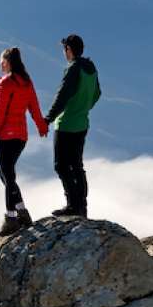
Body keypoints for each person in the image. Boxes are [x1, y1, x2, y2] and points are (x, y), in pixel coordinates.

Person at [0, 46, 49, 236]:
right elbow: (34, 107)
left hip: (6, 136)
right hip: (21, 137)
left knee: (7, 174)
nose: (0, 65)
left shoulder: (4, 84)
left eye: (1, 62)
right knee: (5, 174)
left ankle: (11, 217)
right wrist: (41, 126)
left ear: (7, 62)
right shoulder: (26, 83)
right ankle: (21, 211)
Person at [44, 33, 101, 217]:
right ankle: (82, 207)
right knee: (77, 166)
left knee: (61, 166)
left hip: (66, 123)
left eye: (64, 49)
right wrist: (83, 108)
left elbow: (62, 96)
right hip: (82, 123)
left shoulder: (73, 68)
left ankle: (72, 205)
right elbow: (97, 93)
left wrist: (49, 118)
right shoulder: (91, 68)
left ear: (69, 50)